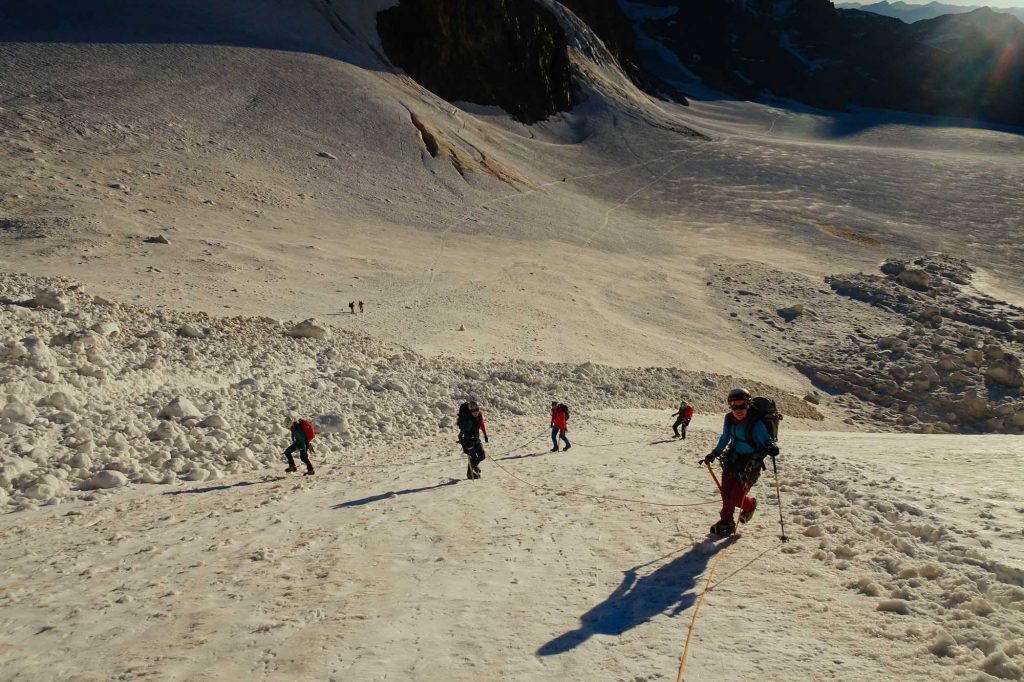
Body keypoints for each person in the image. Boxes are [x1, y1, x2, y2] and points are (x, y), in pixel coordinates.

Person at [700, 388, 778, 535]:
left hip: (751, 464)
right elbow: (725, 438)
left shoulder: (755, 423)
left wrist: (772, 448)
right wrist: (714, 453)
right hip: (733, 458)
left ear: (748, 404)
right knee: (726, 493)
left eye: (742, 405)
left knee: (736, 497)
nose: (738, 409)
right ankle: (726, 521)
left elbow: (767, 441)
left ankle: (750, 506)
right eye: (734, 406)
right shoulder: (729, 419)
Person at [457, 400, 488, 480]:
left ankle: (474, 467)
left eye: (477, 410)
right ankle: (470, 474)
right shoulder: (468, 421)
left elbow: (482, 425)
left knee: (482, 456)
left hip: (476, 440)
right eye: (473, 411)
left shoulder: (479, 416)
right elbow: (460, 435)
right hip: (468, 441)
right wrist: (464, 445)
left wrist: (485, 435)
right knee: (473, 457)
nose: (475, 412)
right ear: (470, 411)